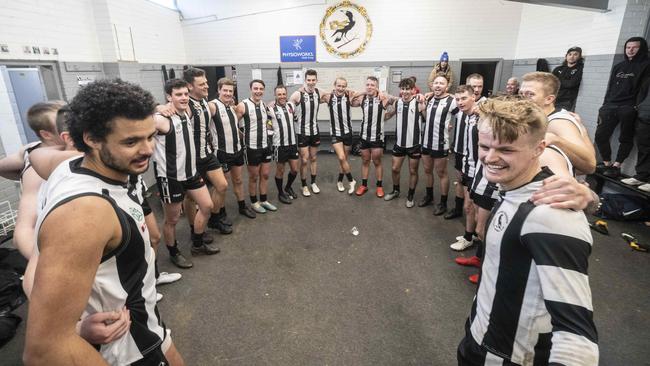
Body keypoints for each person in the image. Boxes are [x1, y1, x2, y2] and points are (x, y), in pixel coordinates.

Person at [24, 79, 184, 365]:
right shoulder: (87, 213)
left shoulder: (67, 165)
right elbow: (44, 350)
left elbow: (35, 154)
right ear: (92, 139)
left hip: (147, 327)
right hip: (124, 348)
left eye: (150, 137)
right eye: (131, 142)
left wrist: (23, 154)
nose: (147, 150)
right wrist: (73, 330)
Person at [457, 97, 598, 366]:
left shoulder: (550, 213)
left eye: (506, 150)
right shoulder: (511, 188)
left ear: (539, 149)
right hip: (478, 339)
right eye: (485, 146)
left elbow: (577, 339)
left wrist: (589, 198)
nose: (491, 157)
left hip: (506, 357)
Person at [154, 79, 219, 270]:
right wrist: (157, 107)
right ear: (168, 97)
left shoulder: (188, 111)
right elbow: (141, 127)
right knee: (172, 219)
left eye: (185, 94)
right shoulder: (160, 119)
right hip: (170, 176)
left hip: (190, 172)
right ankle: (174, 252)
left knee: (207, 205)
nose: (183, 98)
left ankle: (197, 244)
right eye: (178, 94)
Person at [182, 68, 232, 235]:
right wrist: (161, 108)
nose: (206, 86)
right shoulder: (185, 105)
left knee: (222, 185)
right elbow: (164, 110)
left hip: (207, 154)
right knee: (190, 198)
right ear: (189, 86)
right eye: (201, 84)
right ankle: (194, 229)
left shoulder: (205, 101)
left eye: (206, 83)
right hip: (192, 160)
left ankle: (214, 219)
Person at [520, 72, 596, 175]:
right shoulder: (539, 117)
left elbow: (590, 166)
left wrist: (556, 140)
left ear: (549, 99)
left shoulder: (558, 123)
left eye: (530, 94)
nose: (522, 99)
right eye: (521, 94)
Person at [595, 36, 650, 178]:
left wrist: (635, 107)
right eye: (628, 47)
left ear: (641, 48)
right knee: (600, 136)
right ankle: (607, 163)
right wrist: (605, 104)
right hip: (610, 105)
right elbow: (611, 87)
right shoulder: (619, 66)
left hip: (628, 107)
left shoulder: (646, 65)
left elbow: (644, 90)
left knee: (625, 138)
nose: (630, 50)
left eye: (634, 47)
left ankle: (617, 166)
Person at [209, 77, 257, 218]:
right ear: (218, 90)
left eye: (230, 91)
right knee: (222, 187)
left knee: (238, 180)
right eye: (225, 90)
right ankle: (220, 213)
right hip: (222, 153)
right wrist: (163, 107)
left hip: (237, 150)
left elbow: (233, 127)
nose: (228, 93)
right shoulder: (212, 105)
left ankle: (242, 206)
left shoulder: (232, 106)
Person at [235, 79, 277, 213]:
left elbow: (268, 122)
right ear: (251, 89)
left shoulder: (264, 105)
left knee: (265, 175)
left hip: (265, 146)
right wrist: (242, 135)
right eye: (256, 88)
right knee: (254, 177)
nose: (258, 91)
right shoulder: (243, 105)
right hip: (252, 147)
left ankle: (263, 200)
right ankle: (254, 202)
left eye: (261, 89)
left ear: (263, 90)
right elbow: (231, 123)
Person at [351, 76, 398, 197]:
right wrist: (363, 91)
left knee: (377, 162)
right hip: (364, 137)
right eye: (367, 85)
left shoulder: (383, 98)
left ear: (376, 86)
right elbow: (350, 101)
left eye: (372, 85)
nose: (369, 87)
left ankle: (379, 186)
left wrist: (384, 95)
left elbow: (398, 101)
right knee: (365, 161)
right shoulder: (362, 98)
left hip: (377, 137)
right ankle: (364, 185)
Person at [419, 74, 459, 214]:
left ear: (446, 86)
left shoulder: (452, 101)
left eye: (441, 83)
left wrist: (450, 126)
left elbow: (461, 116)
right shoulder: (428, 98)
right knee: (427, 171)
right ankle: (429, 196)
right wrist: (423, 109)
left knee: (441, 173)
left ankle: (443, 203)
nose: (438, 85)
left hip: (441, 144)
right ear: (432, 85)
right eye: (436, 83)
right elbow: (426, 119)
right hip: (426, 143)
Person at [449, 86, 480, 251]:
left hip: (480, 172)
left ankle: (471, 237)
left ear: (473, 97)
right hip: (468, 166)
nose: (460, 102)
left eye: (464, 98)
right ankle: (471, 234)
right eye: (458, 99)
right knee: (469, 207)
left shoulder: (482, 116)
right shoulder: (465, 116)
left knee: (473, 208)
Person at [384, 78, 422, 207]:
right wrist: (382, 116)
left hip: (414, 145)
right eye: (403, 89)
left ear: (413, 90)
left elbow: (428, 118)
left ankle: (410, 195)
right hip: (399, 144)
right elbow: (389, 114)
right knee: (395, 169)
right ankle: (396, 190)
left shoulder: (418, 102)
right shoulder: (397, 103)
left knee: (413, 171)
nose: (405, 91)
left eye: (408, 89)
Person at [318, 77, 357, 194]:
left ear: (346, 87)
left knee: (344, 159)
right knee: (341, 157)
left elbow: (361, 94)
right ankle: (351, 181)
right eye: (339, 86)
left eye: (343, 86)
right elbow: (315, 92)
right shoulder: (328, 97)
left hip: (348, 133)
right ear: (334, 86)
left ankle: (340, 181)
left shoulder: (349, 96)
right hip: (336, 133)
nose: (341, 88)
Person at [289, 69, 322, 196]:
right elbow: (287, 107)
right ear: (305, 80)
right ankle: (304, 185)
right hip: (302, 132)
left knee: (313, 158)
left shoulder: (319, 92)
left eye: (313, 80)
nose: (311, 82)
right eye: (309, 80)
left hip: (314, 131)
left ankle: (313, 183)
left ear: (316, 81)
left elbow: (335, 93)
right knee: (304, 160)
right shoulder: (297, 94)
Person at [268, 85, 300, 203]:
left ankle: (288, 187)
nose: (282, 96)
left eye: (283, 94)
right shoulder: (270, 109)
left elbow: (295, 118)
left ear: (286, 94)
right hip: (279, 145)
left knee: (295, 169)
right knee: (280, 170)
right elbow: (268, 126)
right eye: (279, 94)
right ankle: (281, 193)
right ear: (275, 95)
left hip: (292, 143)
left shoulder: (291, 105)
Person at [622, 77, 650, 192]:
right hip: (645, 116)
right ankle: (641, 176)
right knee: (644, 148)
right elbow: (642, 92)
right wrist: (641, 106)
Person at [552, 46, 584, 111]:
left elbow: (570, 84)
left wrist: (558, 80)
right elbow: (550, 82)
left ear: (579, 57)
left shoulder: (580, 69)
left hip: (567, 101)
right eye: (570, 54)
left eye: (575, 54)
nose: (572, 57)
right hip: (554, 98)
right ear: (566, 56)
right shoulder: (558, 69)